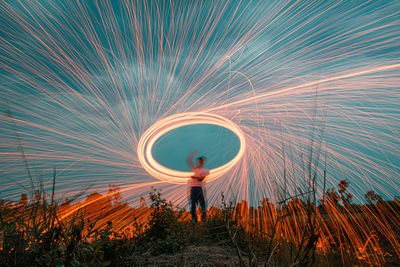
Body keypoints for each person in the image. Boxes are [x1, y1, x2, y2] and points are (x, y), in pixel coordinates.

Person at [187, 151, 209, 222]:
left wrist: (195, 177)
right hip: (193, 188)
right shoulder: (196, 169)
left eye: (201, 161)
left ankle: (203, 219)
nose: (200, 162)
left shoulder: (204, 170)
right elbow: (190, 163)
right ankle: (194, 219)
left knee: (202, 204)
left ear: (203, 162)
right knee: (193, 205)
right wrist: (191, 157)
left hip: (199, 188)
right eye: (199, 161)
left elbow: (202, 179)